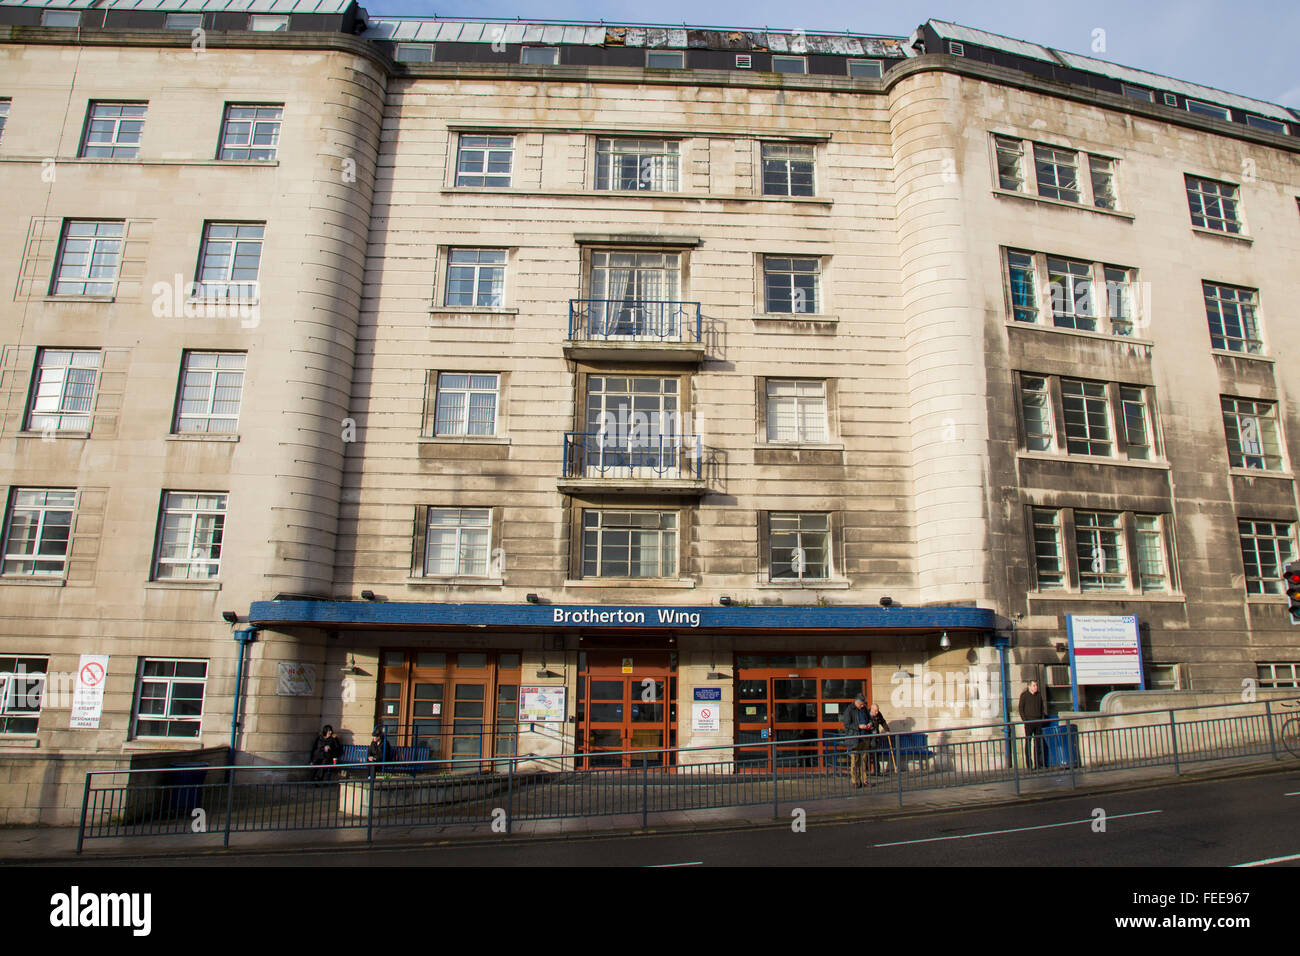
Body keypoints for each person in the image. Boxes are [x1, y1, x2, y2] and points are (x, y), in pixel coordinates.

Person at [840, 694, 874, 788]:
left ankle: (865, 780)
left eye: (863, 704)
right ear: (857, 702)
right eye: (861, 704)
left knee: (864, 760)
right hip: (854, 738)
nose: (863, 706)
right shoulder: (849, 710)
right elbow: (846, 724)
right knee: (855, 760)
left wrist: (870, 723)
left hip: (864, 737)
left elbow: (870, 718)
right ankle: (855, 781)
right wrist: (858, 726)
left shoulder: (864, 709)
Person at [1018, 680, 1049, 770]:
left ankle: (1038, 763)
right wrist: (1025, 720)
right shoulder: (1024, 695)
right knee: (1028, 742)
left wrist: (1042, 718)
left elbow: (1042, 707)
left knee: (1038, 743)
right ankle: (1029, 764)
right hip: (1029, 722)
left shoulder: (1039, 695)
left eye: (1036, 685)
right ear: (1029, 687)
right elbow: (1021, 708)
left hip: (1038, 721)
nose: (1036, 687)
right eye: (1034, 685)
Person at [866, 702, 892, 775]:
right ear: (871, 709)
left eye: (877, 710)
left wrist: (887, 730)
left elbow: (883, 722)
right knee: (867, 754)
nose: (877, 712)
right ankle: (866, 771)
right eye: (875, 711)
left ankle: (877, 771)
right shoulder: (866, 714)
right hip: (867, 736)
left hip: (875, 736)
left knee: (875, 753)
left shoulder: (878, 714)